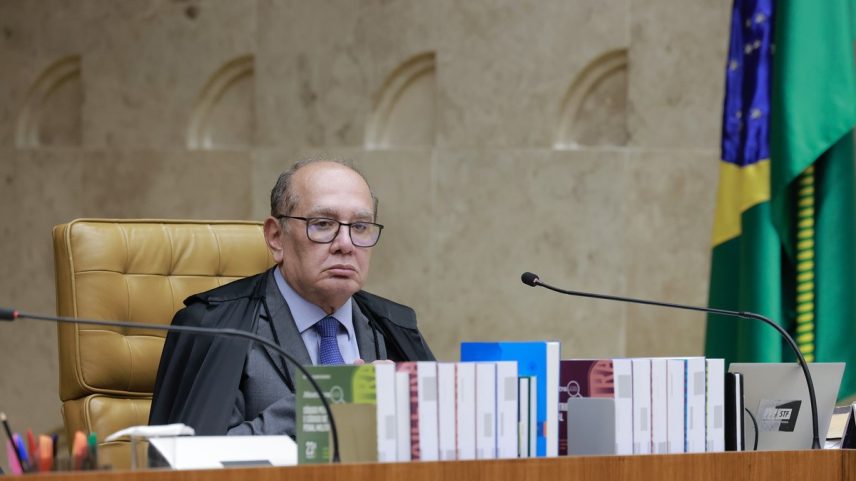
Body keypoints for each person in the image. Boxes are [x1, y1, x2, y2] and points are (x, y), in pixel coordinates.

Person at [148, 159, 435, 437]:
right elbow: (195, 456)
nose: (346, 244)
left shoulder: (394, 329)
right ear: (276, 237)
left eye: (360, 226)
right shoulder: (214, 327)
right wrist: (331, 402)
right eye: (323, 224)